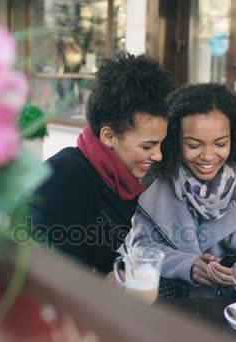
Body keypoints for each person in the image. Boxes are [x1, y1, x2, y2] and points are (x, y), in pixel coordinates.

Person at [124, 83, 236, 309]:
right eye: (194, 145)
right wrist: (189, 265)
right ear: (174, 140)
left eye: (221, 144)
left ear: (235, 138)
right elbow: (142, 248)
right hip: (176, 295)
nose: (208, 156)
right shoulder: (156, 176)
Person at [29, 52, 174, 276]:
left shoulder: (121, 181)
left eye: (161, 145)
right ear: (108, 136)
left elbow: (97, 253)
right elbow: (52, 270)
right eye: (147, 147)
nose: (158, 156)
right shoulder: (61, 178)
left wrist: (116, 271)